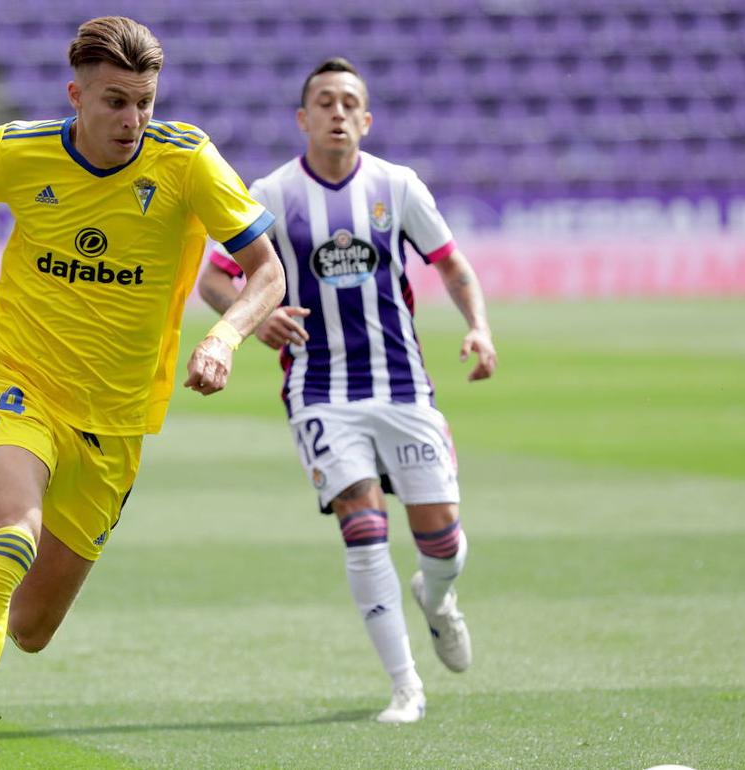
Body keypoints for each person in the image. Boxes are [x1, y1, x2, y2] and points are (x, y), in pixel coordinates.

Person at [0, 17, 283, 770]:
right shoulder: (19, 150)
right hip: (19, 386)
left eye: (143, 102)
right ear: (76, 96)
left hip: (117, 421)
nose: (132, 120)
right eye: (114, 101)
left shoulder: (188, 161)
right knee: (11, 536)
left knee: (31, 627)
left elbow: (267, 272)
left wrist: (223, 337)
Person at [198, 57, 497, 725]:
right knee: (362, 526)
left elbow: (451, 265)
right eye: (323, 102)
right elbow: (214, 279)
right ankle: (405, 687)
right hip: (320, 389)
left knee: (442, 542)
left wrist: (478, 328)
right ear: (302, 118)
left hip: (403, 387)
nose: (337, 112)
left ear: (366, 118)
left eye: (348, 102)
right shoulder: (271, 194)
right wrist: (252, 318)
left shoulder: (398, 186)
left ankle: (439, 598)